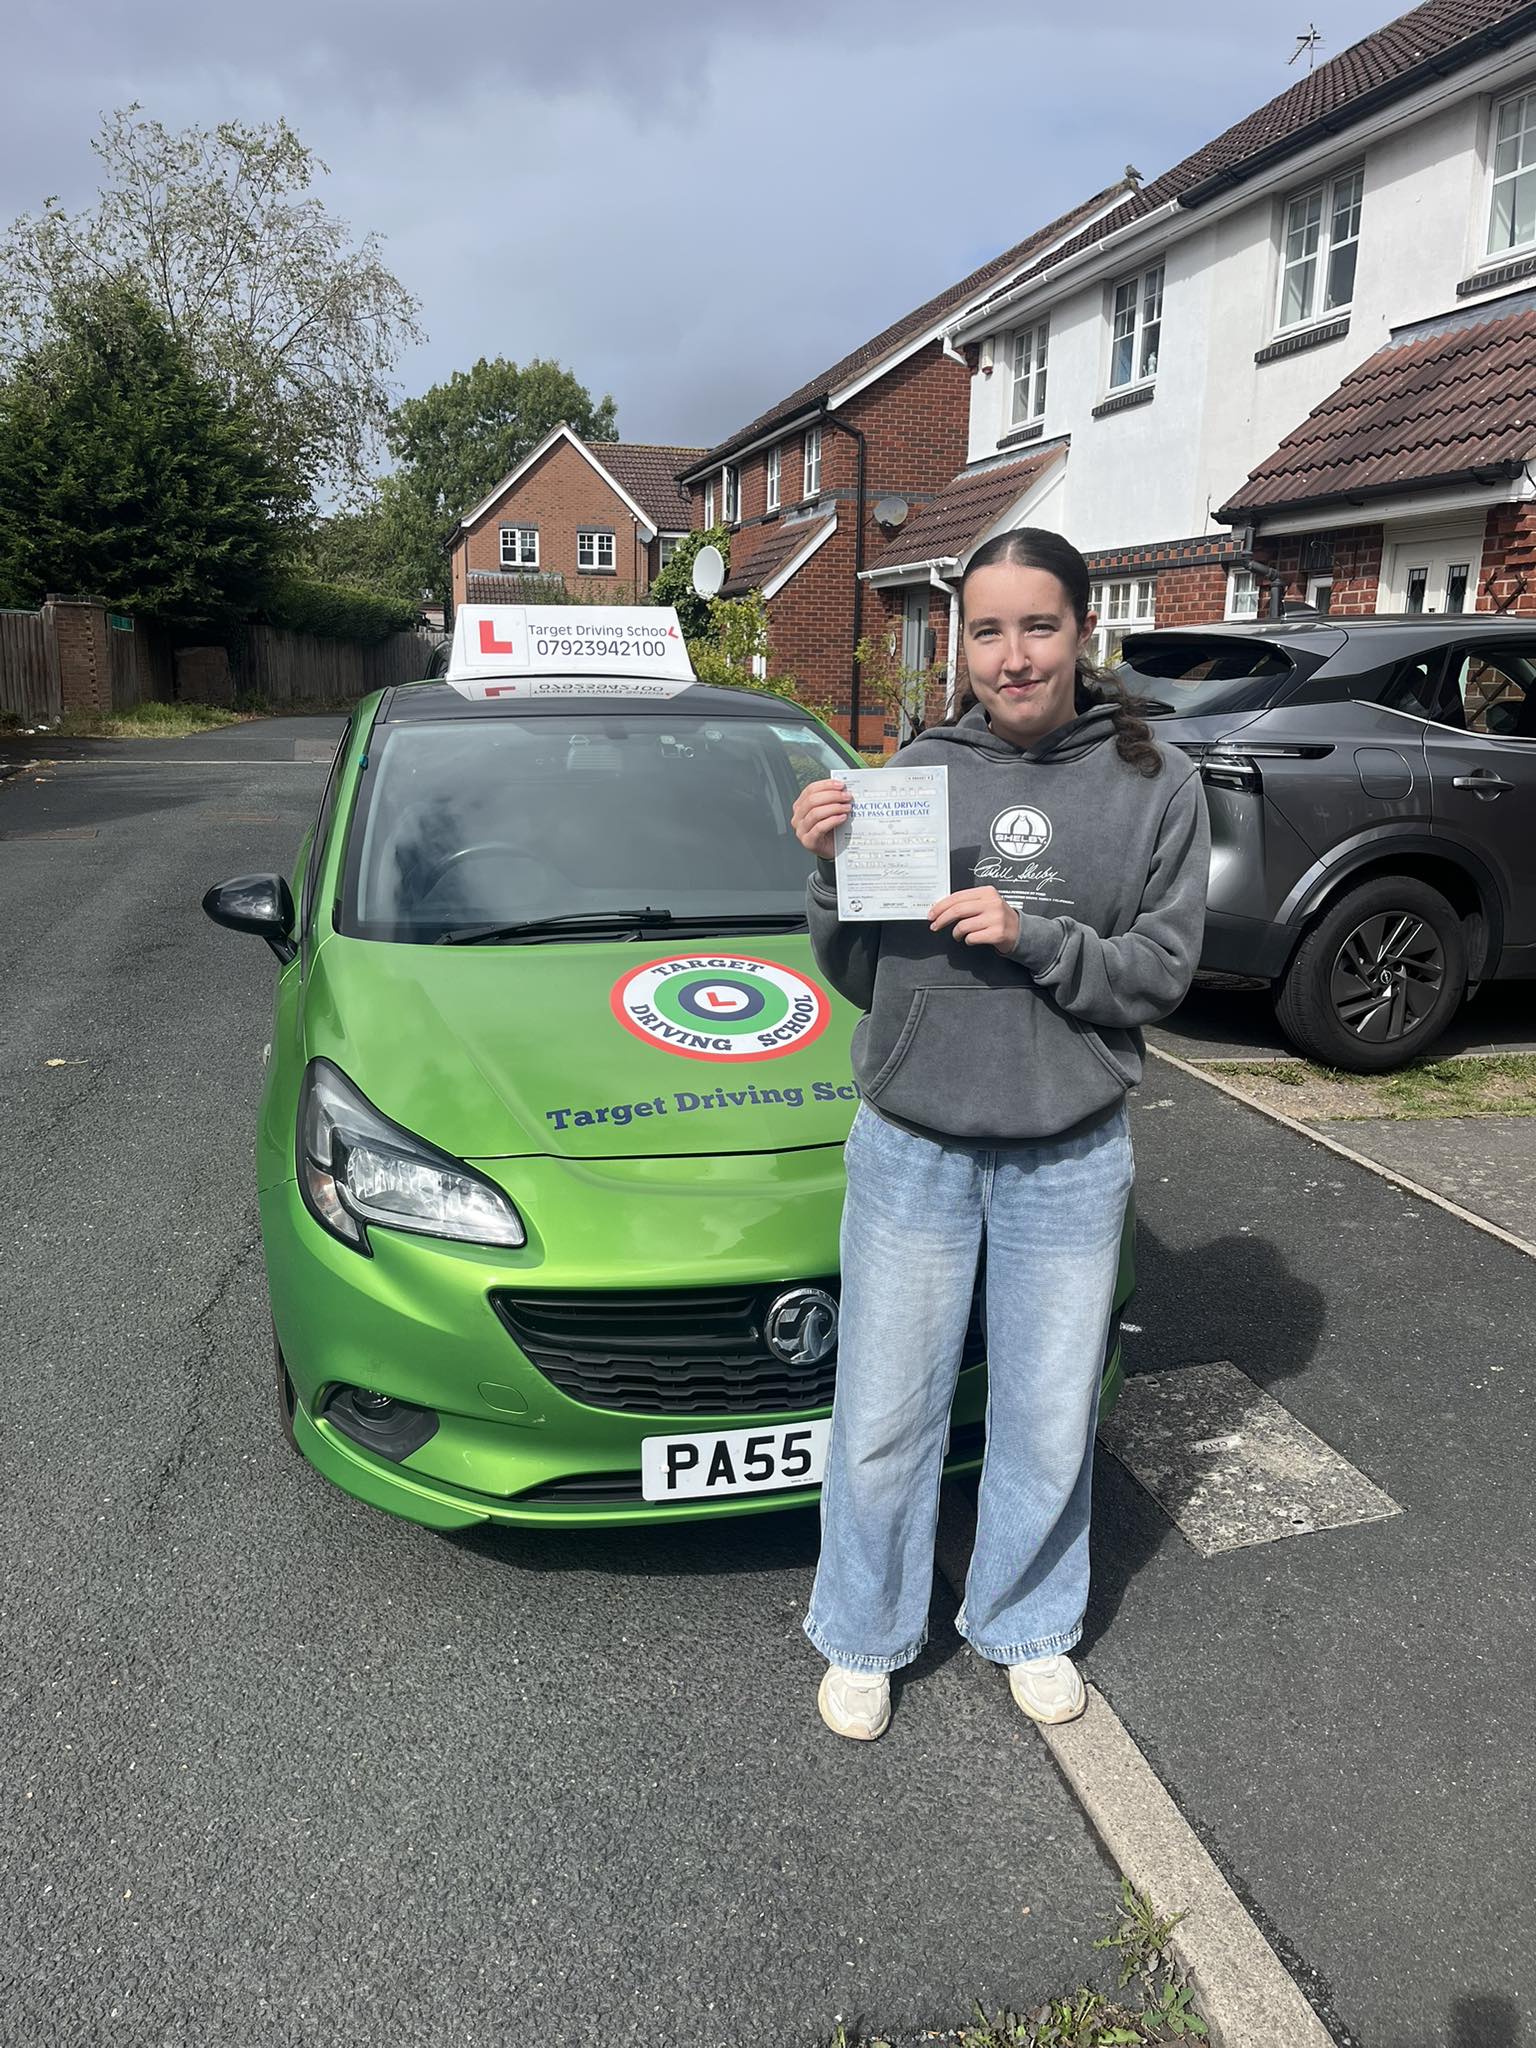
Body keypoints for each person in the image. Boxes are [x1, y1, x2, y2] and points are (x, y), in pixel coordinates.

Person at [789, 527, 1210, 1742]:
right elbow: (864, 975)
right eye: (987, 629)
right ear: (959, 640)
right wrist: (827, 871)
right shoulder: (912, 772)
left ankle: (1025, 1620)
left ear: (1084, 630)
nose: (1013, 654)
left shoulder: (1155, 786)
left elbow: (1163, 973)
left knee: (1044, 1410)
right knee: (880, 1408)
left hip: (1068, 1151)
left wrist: (1034, 938)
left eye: (1039, 625)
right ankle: (865, 1632)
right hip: (913, 1142)